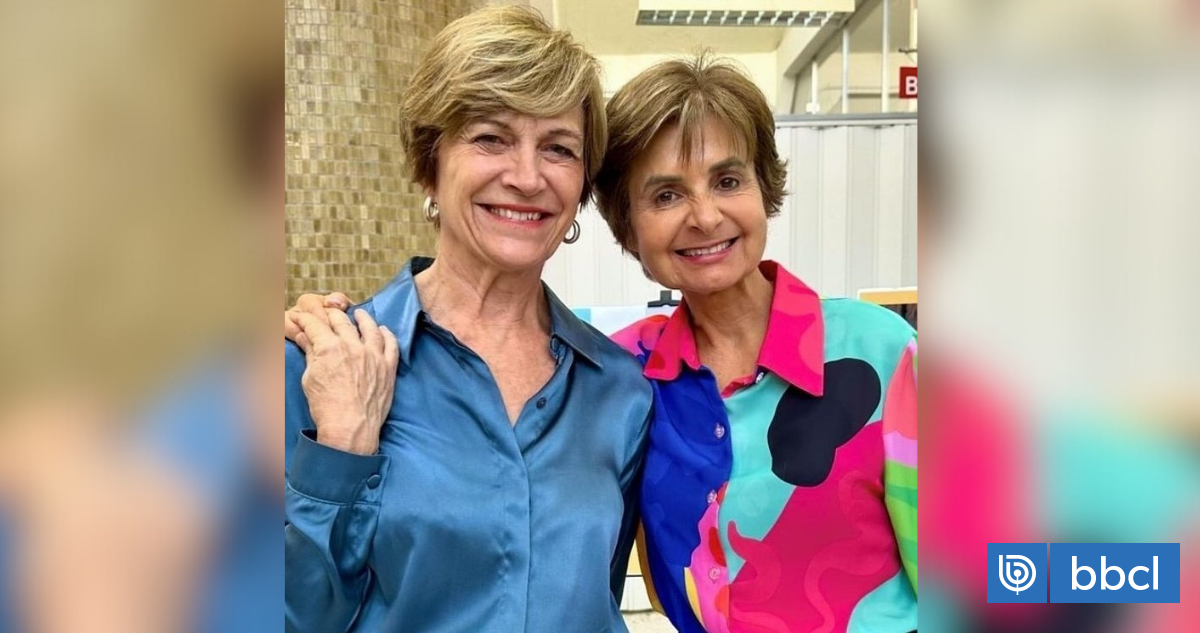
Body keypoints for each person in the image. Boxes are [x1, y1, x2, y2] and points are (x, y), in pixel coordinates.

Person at [291, 54, 917, 632]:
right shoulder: (633, 372)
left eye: (728, 181)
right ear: (626, 226)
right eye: (666, 195)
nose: (704, 216)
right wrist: (339, 448)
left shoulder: (879, 352)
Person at [282, 6, 652, 633]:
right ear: (431, 163)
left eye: (558, 149)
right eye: (491, 138)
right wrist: (341, 452)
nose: (527, 177)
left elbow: (596, 602)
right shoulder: (318, 364)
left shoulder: (619, 390)